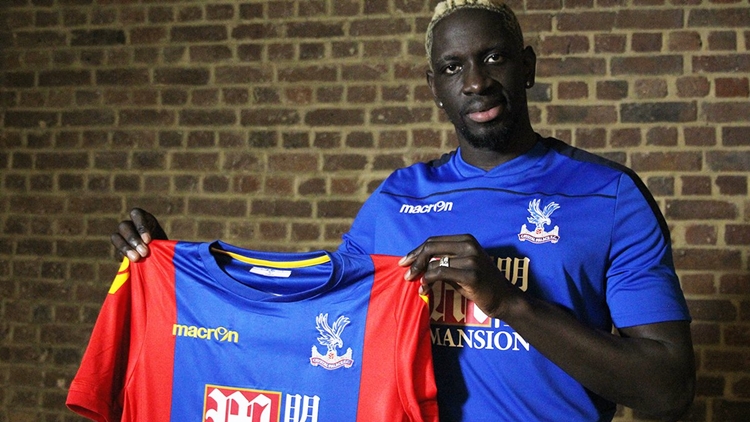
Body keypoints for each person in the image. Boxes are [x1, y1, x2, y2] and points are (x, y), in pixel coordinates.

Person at [110, 1, 695, 420]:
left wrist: (508, 301)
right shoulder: (397, 199)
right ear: (434, 86)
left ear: (528, 66)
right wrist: (172, 265)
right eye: (453, 67)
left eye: (494, 58)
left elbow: (667, 390)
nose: (475, 82)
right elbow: (314, 319)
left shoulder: (609, 195)